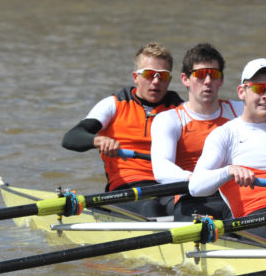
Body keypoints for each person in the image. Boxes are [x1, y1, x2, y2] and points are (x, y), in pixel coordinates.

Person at [188, 57, 266, 245]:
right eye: (259, 88)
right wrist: (228, 171)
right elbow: (195, 187)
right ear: (242, 92)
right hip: (253, 218)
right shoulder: (225, 134)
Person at [61, 42, 182, 217]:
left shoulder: (180, 110)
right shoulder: (113, 104)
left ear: (170, 80)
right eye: (149, 74)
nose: (156, 81)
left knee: (197, 208)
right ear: (136, 77)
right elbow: (71, 138)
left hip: (170, 186)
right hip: (126, 188)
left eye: (162, 76)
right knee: (151, 208)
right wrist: (99, 140)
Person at [150, 43, 240, 220]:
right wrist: (197, 179)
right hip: (194, 197)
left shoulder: (239, 111)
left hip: (236, 195)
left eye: (214, 75)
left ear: (221, 80)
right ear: (185, 79)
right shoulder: (169, 119)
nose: (207, 81)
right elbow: (161, 169)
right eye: (200, 75)